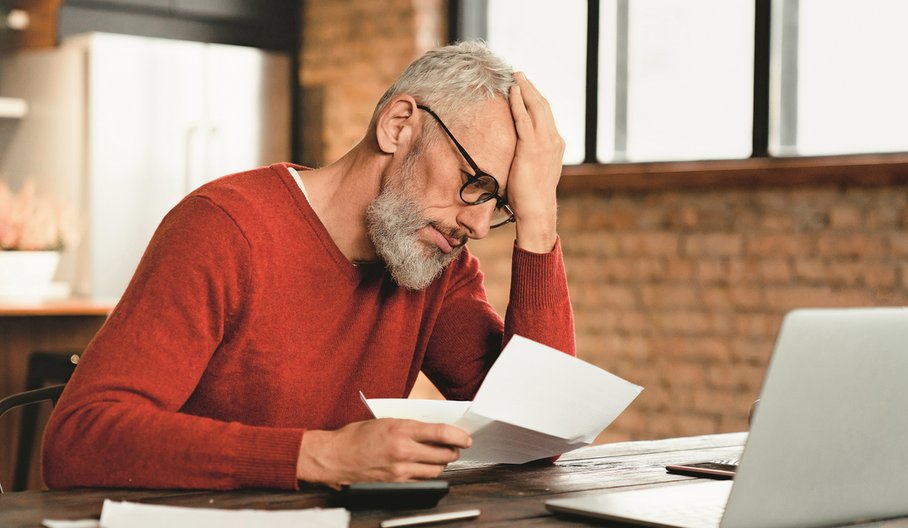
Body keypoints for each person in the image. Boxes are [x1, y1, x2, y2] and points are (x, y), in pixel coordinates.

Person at [42, 41, 575, 490]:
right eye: (474, 183)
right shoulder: (223, 229)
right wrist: (321, 456)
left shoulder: (435, 263)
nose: (479, 227)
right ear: (398, 125)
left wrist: (539, 221)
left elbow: (534, 435)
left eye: (499, 204)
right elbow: (79, 440)